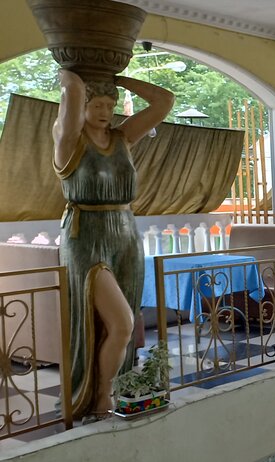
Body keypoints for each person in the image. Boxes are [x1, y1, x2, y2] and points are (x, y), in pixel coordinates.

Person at [53, 69, 174, 420]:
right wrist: (76, 77)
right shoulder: (69, 141)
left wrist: (118, 79)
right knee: (122, 323)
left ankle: (113, 388)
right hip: (85, 236)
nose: (106, 111)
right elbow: (73, 90)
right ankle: (101, 397)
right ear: (82, 107)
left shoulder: (122, 138)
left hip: (125, 233)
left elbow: (164, 101)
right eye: (97, 104)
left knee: (118, 325)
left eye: (110, 105)